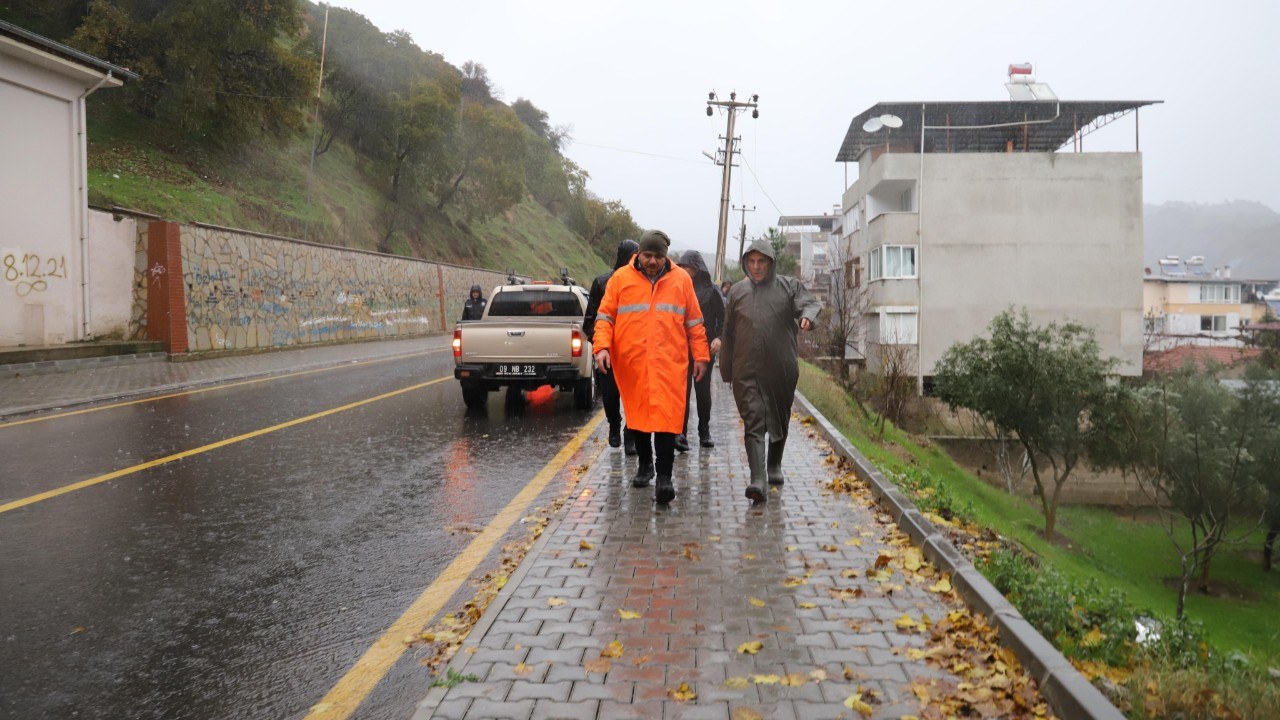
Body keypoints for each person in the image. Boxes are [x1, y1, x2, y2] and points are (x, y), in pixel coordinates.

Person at [593, 230, 710, 505]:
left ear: (666, 256)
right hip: (632, 363)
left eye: (658, 256)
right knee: (639, 418)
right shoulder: (621, 279)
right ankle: (646, 465)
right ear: (639, 254)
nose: (653, 261)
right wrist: (601, 348)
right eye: (648, 256)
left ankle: (665, 479)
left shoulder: (681, 280)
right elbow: (605, 317)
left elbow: (694, 322)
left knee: (668, 420)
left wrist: (701, 356)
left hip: (671, 363)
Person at [720, 238, 820, 503]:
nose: (756, 267)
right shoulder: (737, 293)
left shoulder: (789, 287)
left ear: (771, 262)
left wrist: (807, 317)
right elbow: (728, 334)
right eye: (751, 261)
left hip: (781, 369)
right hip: (746, 369)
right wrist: (726, 369)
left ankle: (774, 464)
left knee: (779, 417)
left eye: (761, 261)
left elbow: (809, 303)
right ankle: (757, 480)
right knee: (753, 421)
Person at [583, 238, 640, 450]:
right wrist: (601, 346)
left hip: (633, 351)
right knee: (610, 394)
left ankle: (631, 433)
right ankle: (614, 425)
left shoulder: (641, 283)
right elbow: (590, 320)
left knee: (634, 396)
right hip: (608, 351)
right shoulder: (602, 282)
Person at [676, 250, 724, 450]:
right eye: (682, 266)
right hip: (680, 349)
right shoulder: (675, 287)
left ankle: (704, 430)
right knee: (681, 393)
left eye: (687, 267)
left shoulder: (711, 290)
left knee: (703, 392)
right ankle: (680, 433)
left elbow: (724, 317)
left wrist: (719, 338)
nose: (684, 270)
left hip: (704, 348)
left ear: (696, 268)